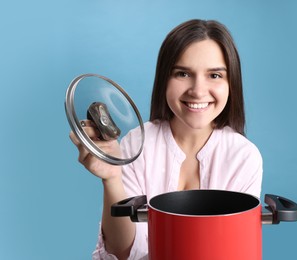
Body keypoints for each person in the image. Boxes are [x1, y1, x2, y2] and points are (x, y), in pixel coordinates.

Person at [70, 19, 263, 260]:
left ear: (231, 84)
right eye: (182, 73)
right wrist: (111, 178)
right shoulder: (137, 143)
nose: (198, 90)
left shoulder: (243, 156)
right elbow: (122, 252)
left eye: (214, 75)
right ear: (164, 79)